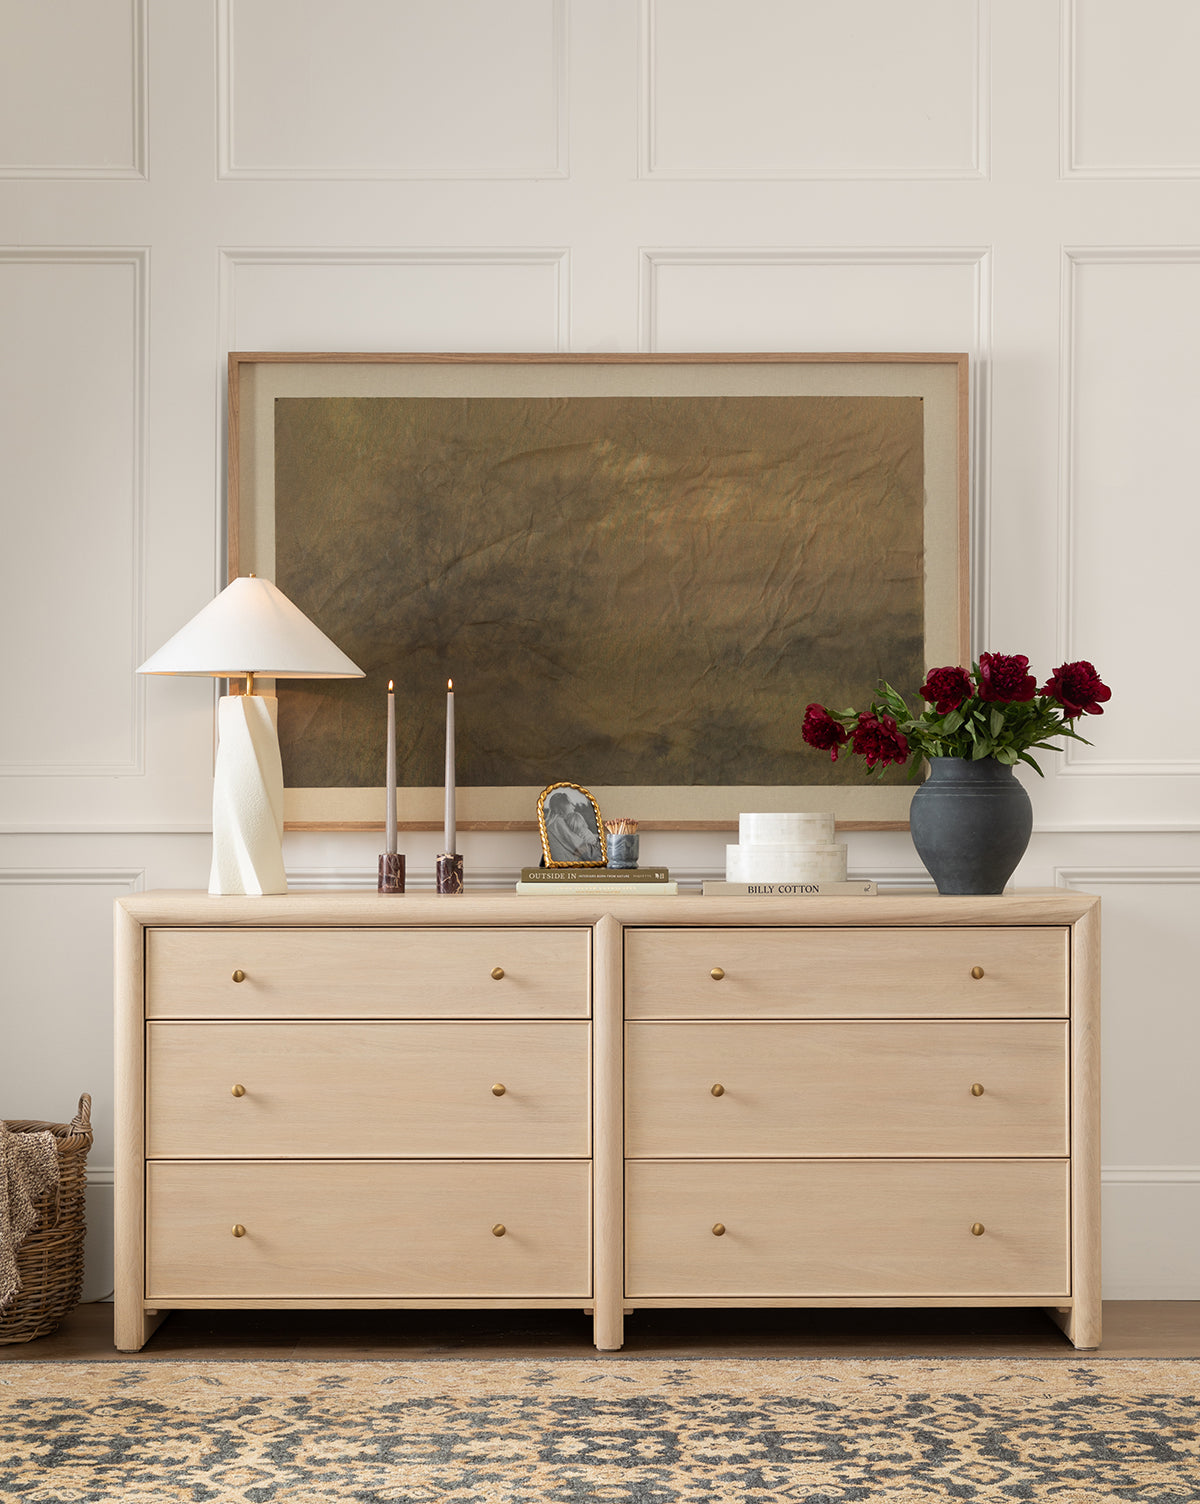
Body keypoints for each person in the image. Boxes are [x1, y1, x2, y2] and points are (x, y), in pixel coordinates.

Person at [544, 788, 602, 862]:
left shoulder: (551, 823)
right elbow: (583, 849)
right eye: (570, 803)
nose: (573, 806)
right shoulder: (557, 823)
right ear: (563, 806)